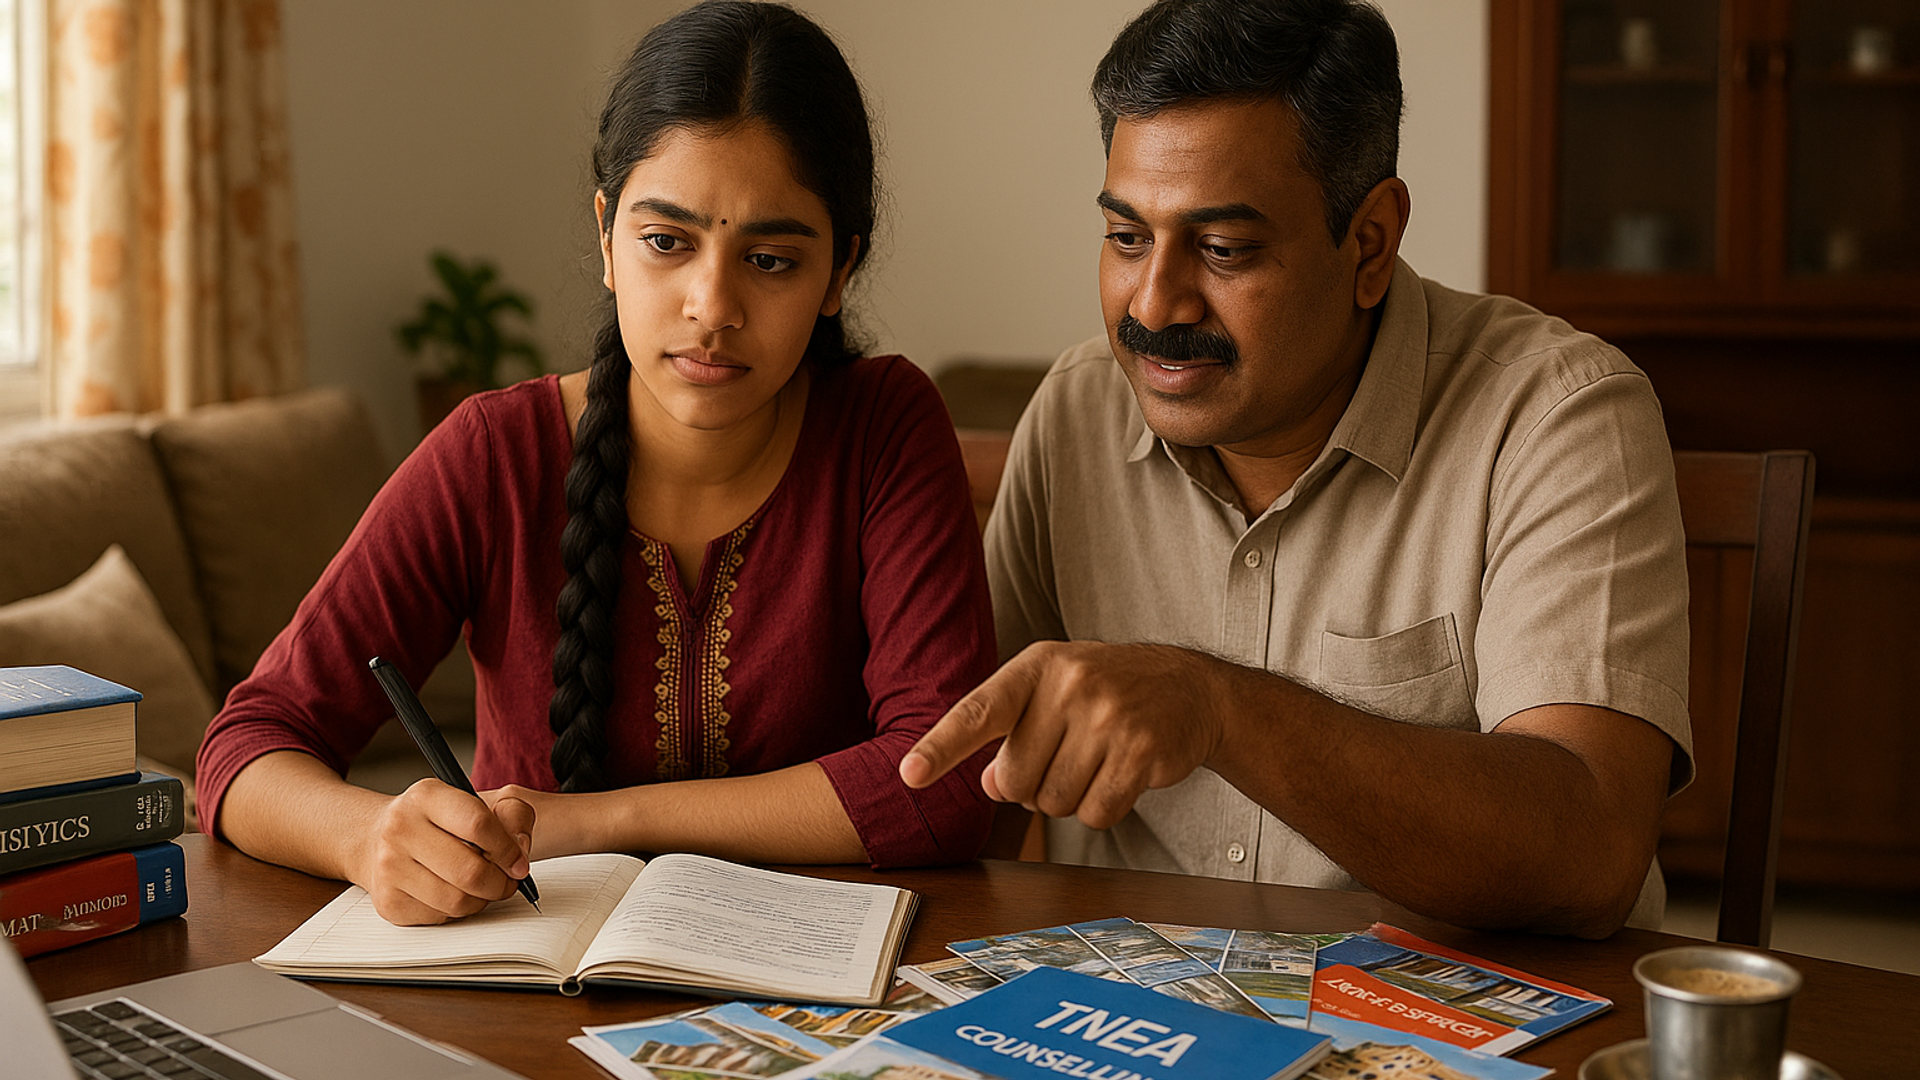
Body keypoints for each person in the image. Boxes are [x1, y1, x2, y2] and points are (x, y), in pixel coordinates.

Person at [901, 0, 1692, 938]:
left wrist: (1219, 706)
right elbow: (967, 779)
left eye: (1225, 248)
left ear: (1370, 243)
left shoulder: (1558, 414)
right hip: (1136, 1015)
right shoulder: (1078, 408)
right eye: (1125, 237)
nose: (1154, 302)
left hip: (1468, 1026)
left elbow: (1590, 853)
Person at [196, 1, 998, 926]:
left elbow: (945, 781)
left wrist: (600, 822)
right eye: (667, 243)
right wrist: (368, 838)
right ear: (608, 237)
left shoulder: (885, 427)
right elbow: (248, 745)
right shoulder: (495, 454)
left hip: (813, 1003)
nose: (713, 305)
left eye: (772, 259)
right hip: (531, 1001)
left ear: (840, 272)